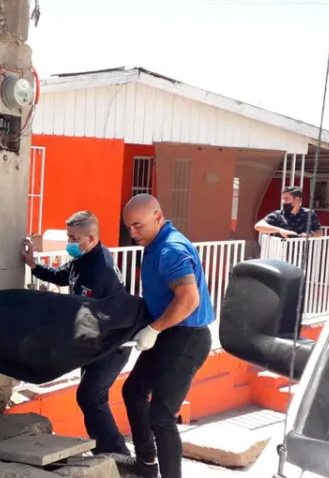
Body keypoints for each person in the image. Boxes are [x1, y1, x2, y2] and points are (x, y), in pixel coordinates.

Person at [118, 194, 213, 478]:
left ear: (158, 216)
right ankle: (146, 465)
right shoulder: (154, 242)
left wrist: (154, 329)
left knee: (161, 416)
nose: (133, 233)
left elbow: (188, 300)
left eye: (138, 226)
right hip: (167, 332)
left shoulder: (171, 249)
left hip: (187, 337)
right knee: (133, 391)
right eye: (129, 227)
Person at [22, 211, 131, 456]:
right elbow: (63, 275)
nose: (68, 243)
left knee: (91, 397)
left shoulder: (100, 269)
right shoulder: (85, 257)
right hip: (97, 343)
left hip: (112, 345)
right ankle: (107, 452)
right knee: (90, 398)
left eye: (73, 238)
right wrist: (33, 265)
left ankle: (117, 455)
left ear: (91, 238)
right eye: (68, 236)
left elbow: (81, 312)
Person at [254, 186, 322, 238]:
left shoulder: (309, 214)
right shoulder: (278, 215)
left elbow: (319, 231)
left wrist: (310, 236)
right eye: (283, 199)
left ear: (297, 200)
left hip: (303, 253)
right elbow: (258, 226)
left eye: (286, 199)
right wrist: (279, 230)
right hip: (281, 253)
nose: (283, 202)